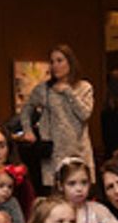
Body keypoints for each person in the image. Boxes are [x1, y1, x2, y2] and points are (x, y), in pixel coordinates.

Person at [18, 43, 95, 185]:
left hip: (79, 150)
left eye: (59, 61)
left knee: (79, 190)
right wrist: (28, 130)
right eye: (52, 62)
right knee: (55, 193)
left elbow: (85, 114)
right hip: (53, 153)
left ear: (70, 62)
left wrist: (68, 92)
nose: (55, 66)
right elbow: (26, 109)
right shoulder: (44, 89)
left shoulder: (84, 87)